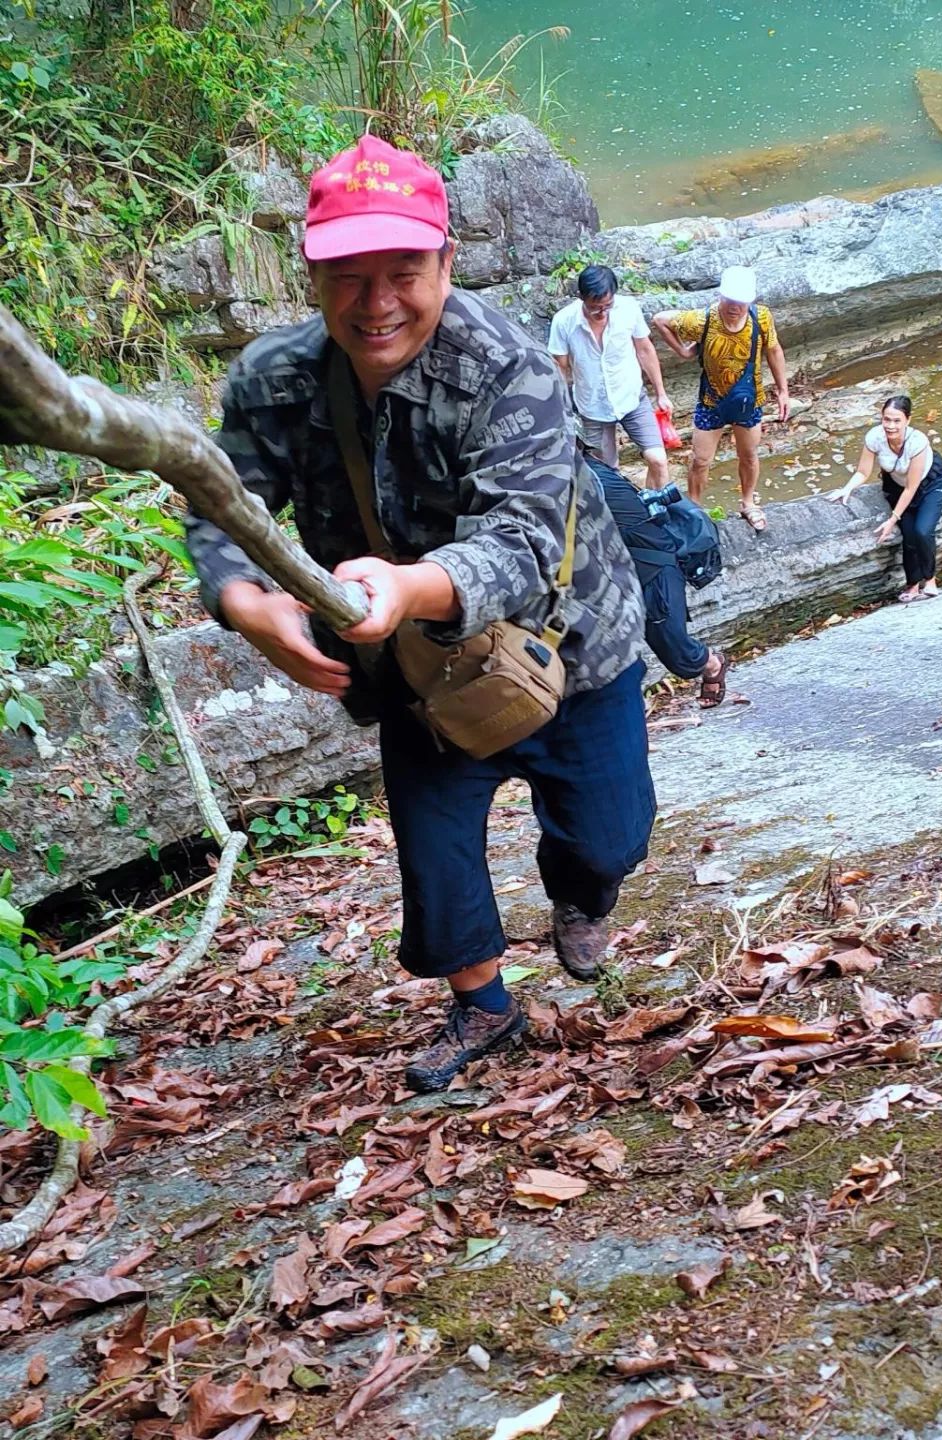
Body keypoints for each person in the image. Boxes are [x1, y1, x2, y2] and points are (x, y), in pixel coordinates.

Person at [184, 136, 656, 1094]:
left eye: (403, 271)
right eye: (347, 276)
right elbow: (219, 501)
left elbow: (525, 540)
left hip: (571, 645)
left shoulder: (508, 367)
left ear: (446, 262)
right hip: (416, 667)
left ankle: (579, 894)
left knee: (610, 839)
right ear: (310, 271)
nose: (377, 302)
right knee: (436, 855)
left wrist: (407, 584)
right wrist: (245, 601)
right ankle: (483, 1006)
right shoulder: (274, 381)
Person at [582, 451, 728, 706]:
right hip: (613, 572)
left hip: (653, 563)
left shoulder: (588, 475)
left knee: (678, 654)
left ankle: (713, 665)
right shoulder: (569, 472)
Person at [652, 265, 789, 529]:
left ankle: (748, 503)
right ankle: (694, 508)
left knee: (748, 455)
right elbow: (660, 319)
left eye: (740, 302)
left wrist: (783, 390)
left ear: (749, 300)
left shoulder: (760, 318)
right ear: (721, 297)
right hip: (712, 400)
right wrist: (682, 351)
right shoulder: (704, 320)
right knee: (700, 460)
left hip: (749, 399)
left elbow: (774, 350)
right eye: (729, 300)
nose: (734, 307)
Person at [548, 265, 673, 490]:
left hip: (632, 397)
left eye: (608, 305)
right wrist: (561, 408)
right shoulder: (563, 321)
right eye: (596, 308)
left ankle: (655, 507)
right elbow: (560, 368)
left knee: (658, 460)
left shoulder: (628, 309)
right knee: (607, 473)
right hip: (592, 406)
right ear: (581, 298)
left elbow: (645, 350)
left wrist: (661, 393)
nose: (603, 312)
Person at [833, 395, 942, 603]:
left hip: (929, 483)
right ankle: (912, 584)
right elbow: (863, 471)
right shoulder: (874, 437)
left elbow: (912, 487)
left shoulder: (917, 442)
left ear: (908, 420)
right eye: (887, 419)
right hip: (897, 485)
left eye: (896, 421)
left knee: (922, 530)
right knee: (909, 535)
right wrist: (847, 489)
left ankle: (930, 580)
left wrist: (892, 519)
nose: (890, 426)